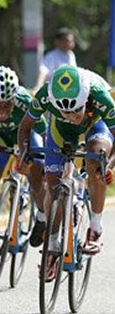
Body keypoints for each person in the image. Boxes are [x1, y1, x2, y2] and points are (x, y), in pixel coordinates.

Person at [18, 65, 115, 280]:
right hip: (60, 131)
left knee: (96, 161)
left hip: (96, 126)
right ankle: (51, 245)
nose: (71, 116)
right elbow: (25, 128)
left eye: (75, 110)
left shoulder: (99, 95)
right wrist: (24, 154)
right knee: (53, 187)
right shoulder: (45, 96)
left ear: (86, 99)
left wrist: (109, 166)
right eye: (65, 111)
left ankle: (95, 227)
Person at [0, 66, 48, 247]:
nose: (2, 111)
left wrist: (36, 158)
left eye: (6, 105)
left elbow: (43, 132)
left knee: (37, 169)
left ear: (14, 98)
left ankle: (42, 215)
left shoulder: (25, 101)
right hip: (2, 137)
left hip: (27, 133)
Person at [32, 28, 77, 95]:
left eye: (72, 41)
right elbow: (43, 71)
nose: (70, 43)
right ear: (58, 42)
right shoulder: (51, 56)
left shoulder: (71, 55)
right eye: (67, 41)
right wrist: (38, 87)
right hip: (54, 92)